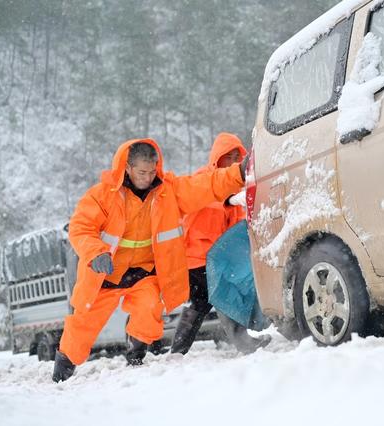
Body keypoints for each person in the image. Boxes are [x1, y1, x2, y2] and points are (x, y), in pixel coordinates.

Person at [52, 138, 246, 382]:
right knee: (82, 324)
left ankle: (136, 353)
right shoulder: (101, 196)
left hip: (143, 273)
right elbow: (81, 228)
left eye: (151, 171)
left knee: (150, 306)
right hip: (106, 274)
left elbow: (204, 185)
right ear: (127, 167)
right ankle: (64, 366)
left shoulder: (168, 192)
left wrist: (237, 173)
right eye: (141, 172)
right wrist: (96, 253)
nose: (147, 177)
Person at [170, 133, 270, 355]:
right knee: (223, 294)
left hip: (216, 257)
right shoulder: (203, 178)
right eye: (229, 157)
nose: (235, 162)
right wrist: (228, 199)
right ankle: (243, 343)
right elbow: (207, 196)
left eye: (238, 157)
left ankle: (178, 351)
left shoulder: (236, 192)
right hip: (197, 256)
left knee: (201, 303)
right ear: (217, 158)